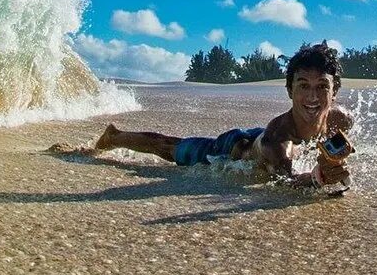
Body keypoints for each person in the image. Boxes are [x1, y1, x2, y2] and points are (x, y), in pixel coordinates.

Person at [80, 42, 354, 188]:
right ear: (289, 91)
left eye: (322, 87)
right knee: (168, 147)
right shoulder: (277, 142)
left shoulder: (341, 119)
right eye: (303, 86)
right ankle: (114, 137)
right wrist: (319, 177)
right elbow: (285, 182)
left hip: (259, 137)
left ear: (335, 92)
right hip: (231, 149)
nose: (312, 97)